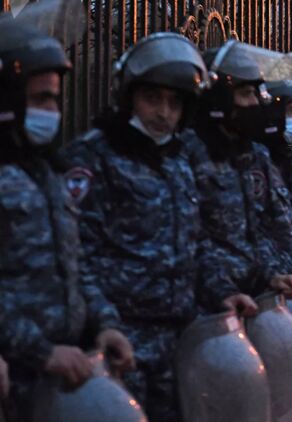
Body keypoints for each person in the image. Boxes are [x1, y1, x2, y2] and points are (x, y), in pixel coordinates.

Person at [62, 33, 255, 420]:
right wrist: (103, 323)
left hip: (180, 337)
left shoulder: (176, 160)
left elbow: (194, 240)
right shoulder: (93, 157)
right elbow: (76, 255)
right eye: (152, 98)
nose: (164, 112)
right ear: (129, 97)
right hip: (121, 342)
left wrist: (221, 291)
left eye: (174, 102)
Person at [0, 21, 134, 420]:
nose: (51, 112)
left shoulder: (47, 174)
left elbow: (74, 265)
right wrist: (39, 351)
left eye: (54, 100)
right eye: (40, 99)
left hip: (64, 376)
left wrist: (105, 325)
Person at [189, 41, 292, 298]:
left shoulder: (254, 153)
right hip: (216, 300)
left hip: (266, 291)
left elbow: (261, 227)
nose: (255, 103)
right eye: (246, 94)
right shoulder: (189, 155)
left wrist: (276, 273)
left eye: (256, 94)